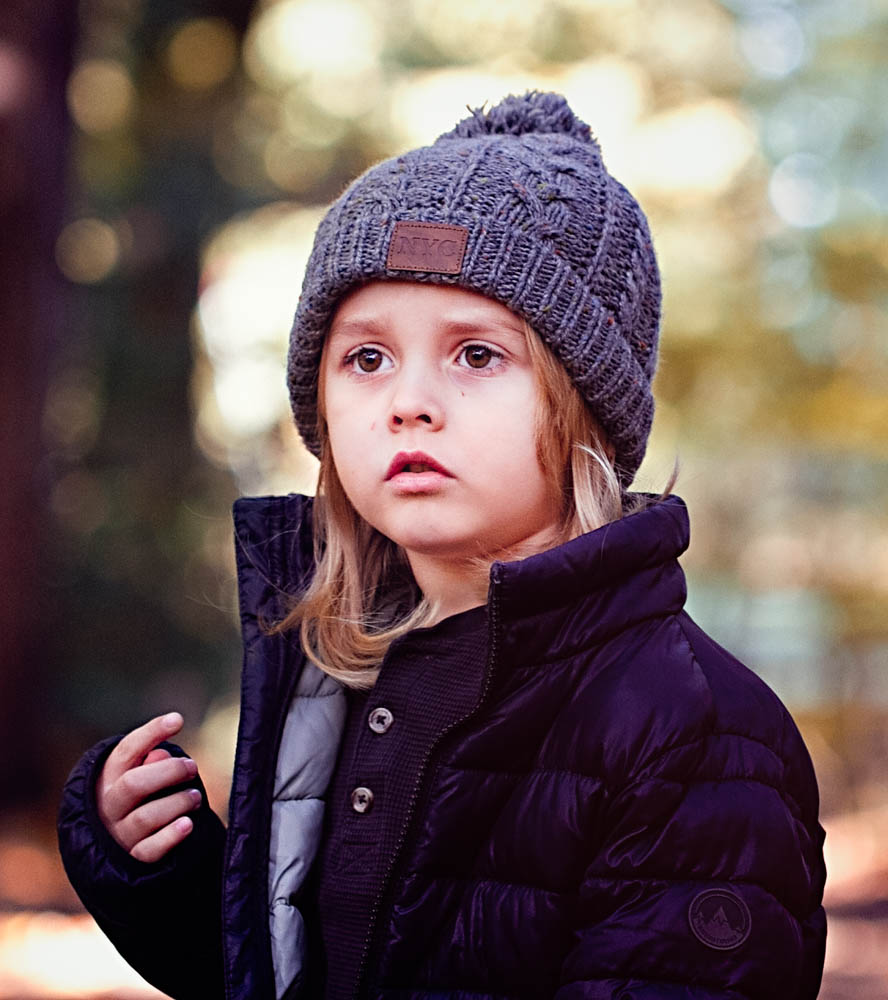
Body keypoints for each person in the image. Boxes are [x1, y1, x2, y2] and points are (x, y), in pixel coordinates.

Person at [57, 90, 827, 1000]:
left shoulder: (696, 731)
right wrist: (151, 865)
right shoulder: (340, 671)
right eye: (367, 358)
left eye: (475, 355)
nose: (408, 401)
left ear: (583, 404)